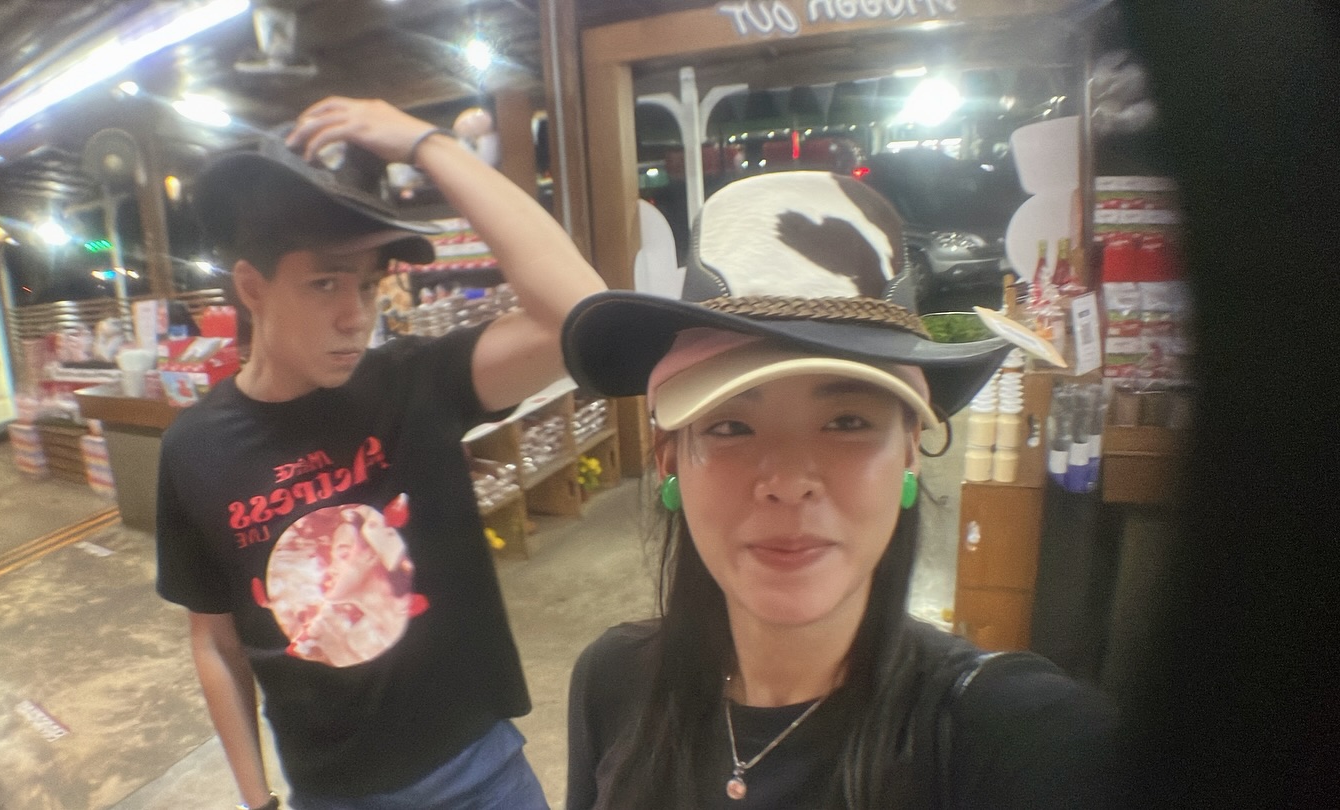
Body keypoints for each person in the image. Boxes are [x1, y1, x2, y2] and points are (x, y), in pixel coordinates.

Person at [562, 171, 1128, 808]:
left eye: (847, 422)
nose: (788, 484)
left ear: (910, 450)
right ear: (669, 458)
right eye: (730, 426)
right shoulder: (613, 685)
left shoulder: (1012, 737)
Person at [154, 96, 605, 810]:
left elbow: (584, 315)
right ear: (251, 288)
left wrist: (430, 145)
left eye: (367, 284)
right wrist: (255, 799)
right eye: (325, 283)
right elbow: (215, 641)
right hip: (334, 795)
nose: (355, 315)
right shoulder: (195, 451)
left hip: (481, 777)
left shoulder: (414, 384)